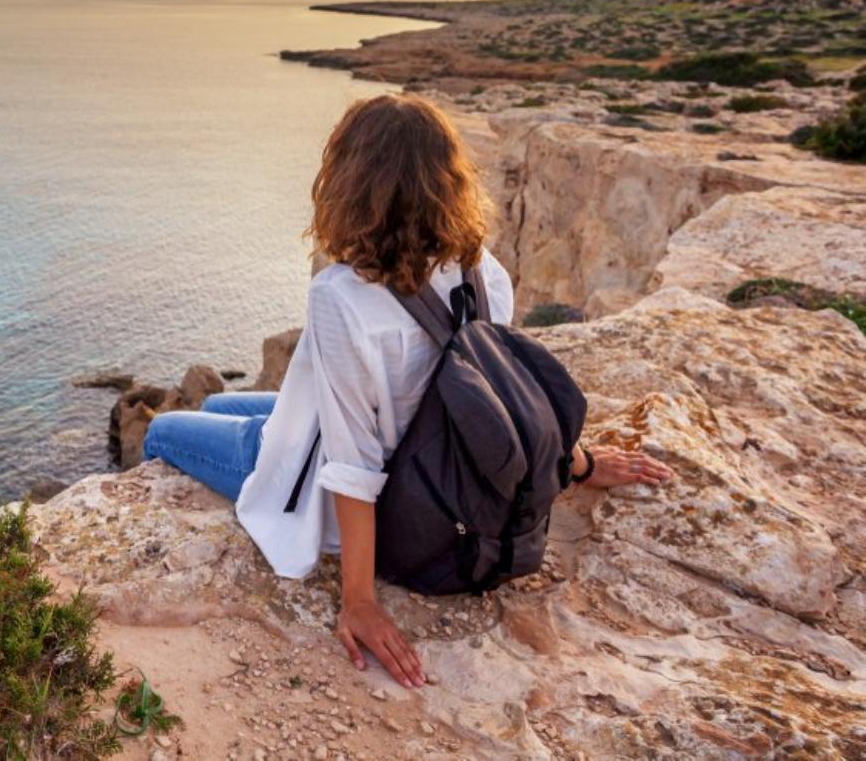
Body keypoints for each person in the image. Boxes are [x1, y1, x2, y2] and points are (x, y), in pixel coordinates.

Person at [143, 94, 672, 690]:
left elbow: (353, 462)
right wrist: (581, 462)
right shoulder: (482, 272)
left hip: (378, 494)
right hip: (429, 455)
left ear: (349, 183)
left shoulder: (341, 295)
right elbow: (503, 390)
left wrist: (360, 600)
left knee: (162, 430)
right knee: (217, 403)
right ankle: (232, 425)